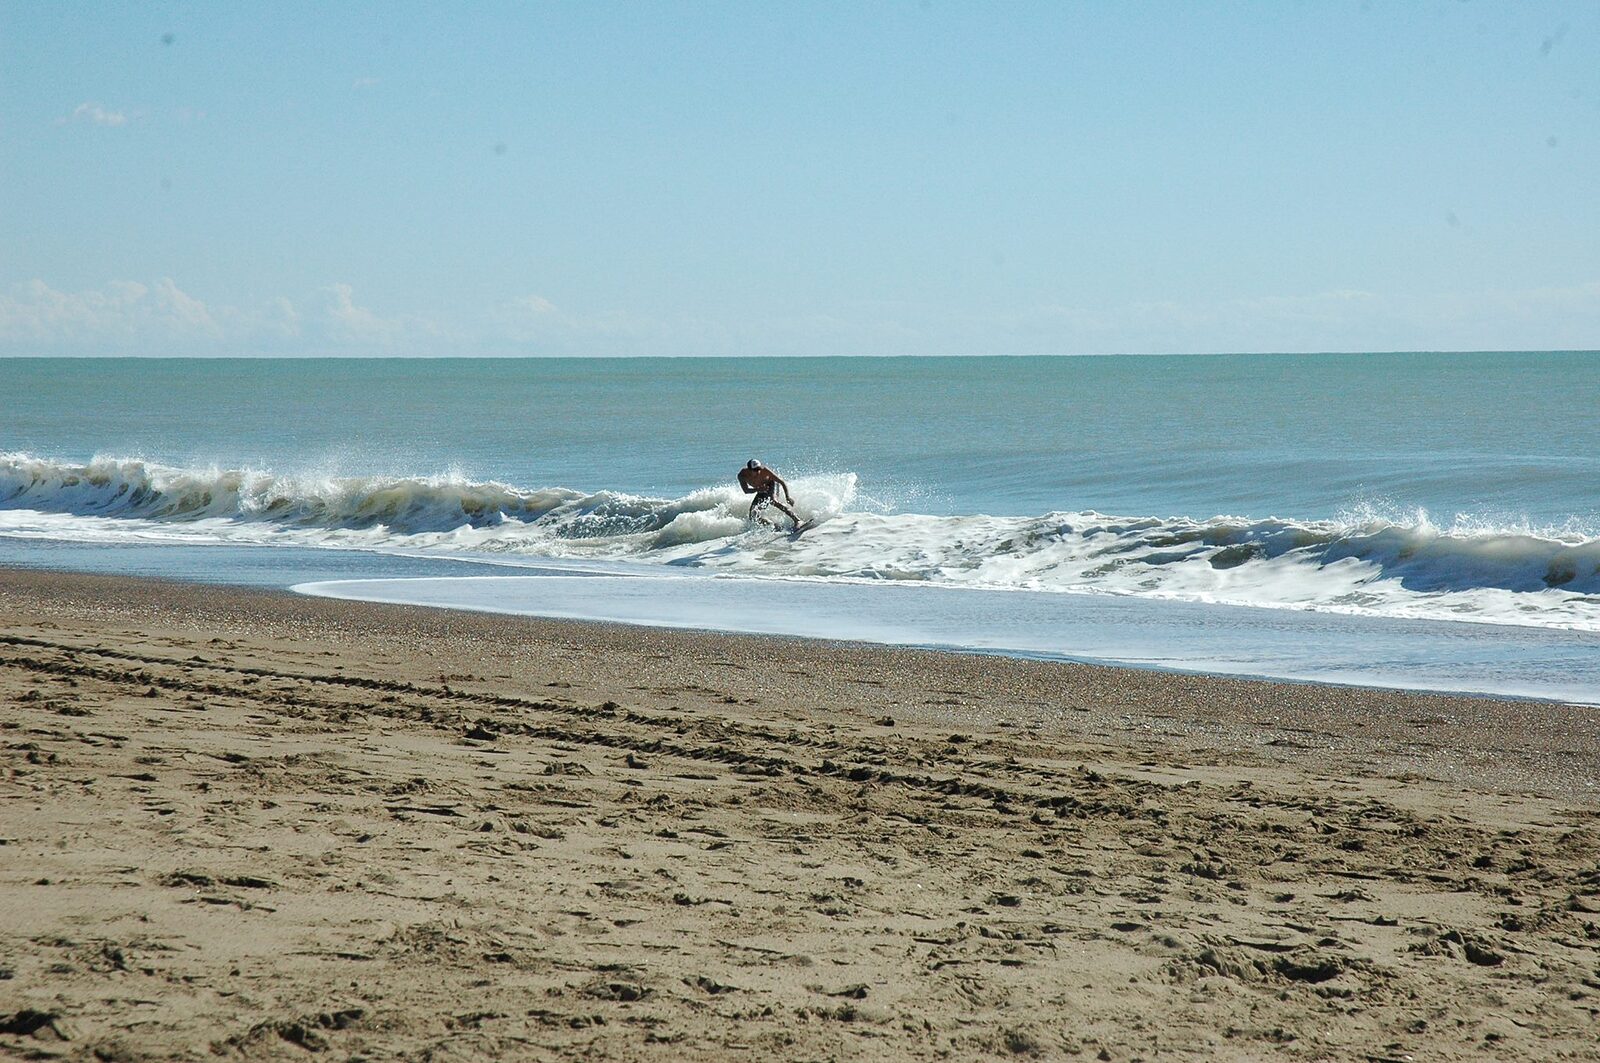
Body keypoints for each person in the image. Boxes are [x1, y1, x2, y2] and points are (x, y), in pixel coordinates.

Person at [738, 459, 803, 531]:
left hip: (771, 484)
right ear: (749, 470)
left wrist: (787, 497)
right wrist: (758, 489)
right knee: (753, 515)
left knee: (773, 501)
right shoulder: (742, 475)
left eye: (759, 469)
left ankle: (798, 520)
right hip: (760, 489)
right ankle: (773, 525)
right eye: (755, 470)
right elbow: (746, 490)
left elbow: (781, 482)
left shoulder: (765, 471)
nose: (758, 472)